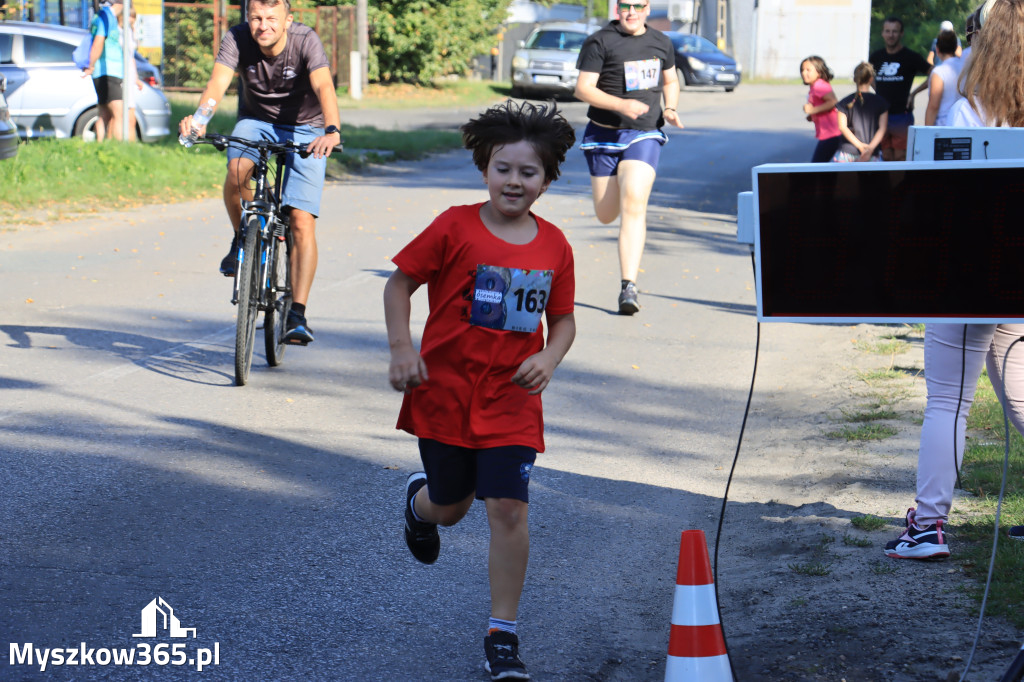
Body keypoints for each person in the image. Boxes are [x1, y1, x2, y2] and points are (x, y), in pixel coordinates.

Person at [384, 100, 577, 680]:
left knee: (509, 509)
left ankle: (503, 635)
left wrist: (549, 355)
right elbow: (400, 285)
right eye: (503, 168)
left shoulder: (555, 245)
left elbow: (564, 319)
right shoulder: (454, 225)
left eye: (528, 172)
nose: (514, 181)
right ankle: (420, 507)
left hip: (511, 401)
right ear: (485, 169)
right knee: (450, 507)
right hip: (443, 393)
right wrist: (402, 348)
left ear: (546, 180)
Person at [884, 0, 1024, 560]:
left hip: (967, 268)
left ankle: (929, 526)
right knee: (1020, 394)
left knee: (947, 400)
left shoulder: (971, 106)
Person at [178, 0, 341, 345]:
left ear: (287, 20)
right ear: (248, 18)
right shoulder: (236, 39)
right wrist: (200, 121)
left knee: (300, 219)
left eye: (271, 18)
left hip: (307, 127)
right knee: (236, 171)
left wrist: (332, 129)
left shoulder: (305, 40)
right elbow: (216, 84)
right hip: (256, 122)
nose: (262, 25)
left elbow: (325, 86)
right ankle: (243, 237)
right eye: (256, 18)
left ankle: (296, 313)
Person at [573, 0, 682, 315]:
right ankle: (627, 278)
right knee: (606, 214)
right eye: (625, 6)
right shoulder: (600, 41)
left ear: (649, 8)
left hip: (644, 133)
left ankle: (628, 286)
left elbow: (670, 81)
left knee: (634, 200)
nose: (632, 11)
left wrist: (671, 108)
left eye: (639, 5)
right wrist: (621, 105)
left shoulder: (662, 43)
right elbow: (583, 88)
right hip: (603, 135)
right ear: (616, 9)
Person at [869, 16, 932, 161]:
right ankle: (886, 185)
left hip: (901, 115)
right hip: (881, 115)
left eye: (894, 31)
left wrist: (914, 93)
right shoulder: (876, 56)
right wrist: (877, 90)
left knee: (900, 157)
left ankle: (901, 184)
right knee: (885, 155)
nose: (891, 35)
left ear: (901, 33)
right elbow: (866, 75)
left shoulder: (910, 56)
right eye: (887, 31)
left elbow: (934, 74)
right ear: (883, 33)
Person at [81, 0, 126, 142]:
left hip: (104, 72)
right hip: (109, 72)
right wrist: (91, 65)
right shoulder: (106, 17)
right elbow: (98, 42)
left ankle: (100, 145)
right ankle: (120, 149)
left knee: (104, 113)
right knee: (119, 114)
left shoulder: (100, 16)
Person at [831, 62, 888, 162]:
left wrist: (860, 146)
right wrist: (870, 149)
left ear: (854, 79)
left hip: (848, 152)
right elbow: (882, 128)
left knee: (847, 178)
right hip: (872, 153)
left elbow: (842, 127)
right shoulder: (881, 102)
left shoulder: (844, 102)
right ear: (871, 79)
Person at [800, 56, 841, 162]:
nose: (804, 73)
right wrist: (812, 115)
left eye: (808, 70)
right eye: (802, 70)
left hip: (832, 133)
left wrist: (813, 110)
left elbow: (833, 102)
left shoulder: (819, 86)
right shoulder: (815, 86)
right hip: (829, 134)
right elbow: (823, 105)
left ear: (819, 72)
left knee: (817, 167)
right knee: (823, 168)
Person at [924, 30, 964, 126]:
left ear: (937, 50)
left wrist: (927, 131)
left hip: (944, 125)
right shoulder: (966, 68)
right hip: (963, 122)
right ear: (955, 47)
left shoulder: (939, 72)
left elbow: (933, 106)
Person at [118, 7, 143, 142]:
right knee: (120, 114)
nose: (131, 20)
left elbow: (131, 57)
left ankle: (131, 145)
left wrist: (136, 78)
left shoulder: (129, 31)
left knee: (131, 115)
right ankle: (122, 143)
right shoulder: (117, 31)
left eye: (133, 17)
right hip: (119, 74)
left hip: (129, 74)